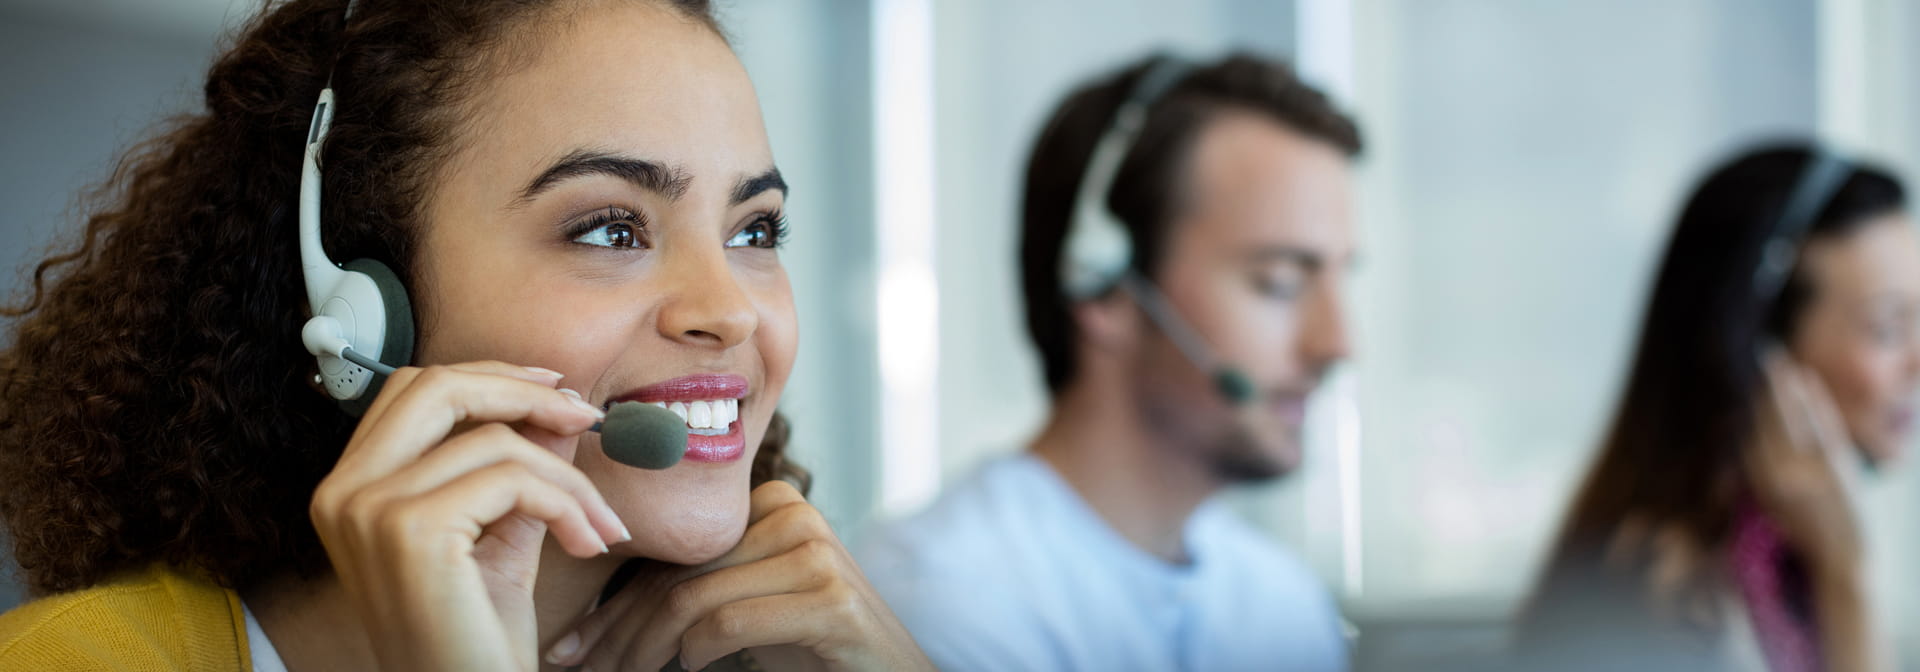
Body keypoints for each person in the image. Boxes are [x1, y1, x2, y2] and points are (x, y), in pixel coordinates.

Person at [0, 1, 932, 670]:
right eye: (611, 229)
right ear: (362, 303)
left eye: (753, 231)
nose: (727, 309)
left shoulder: (774, 653)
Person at [856, 52, 1359, 672]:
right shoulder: (938, 604)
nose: (1336, 343)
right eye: (1279, 282)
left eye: (1340, 279)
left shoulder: (1283, 606)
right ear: (1106, 290)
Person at [1518, 144, 1918, 672]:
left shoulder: (1790, 557)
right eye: (1888, 329)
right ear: (1757, 344)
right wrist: (1849, 574)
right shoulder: (1670, 588)